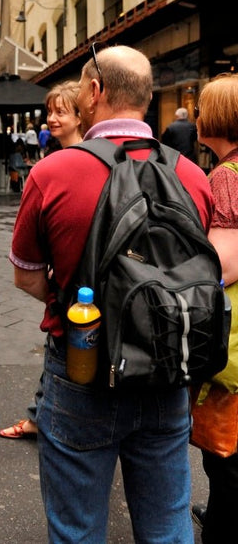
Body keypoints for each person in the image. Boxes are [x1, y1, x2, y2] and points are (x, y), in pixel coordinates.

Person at [9, 45, 214, 543]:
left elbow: (29, 276)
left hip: (83, 368)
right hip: (167, 372)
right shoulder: (192, 177)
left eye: (81, 86)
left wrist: (83, 304)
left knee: (78, 529)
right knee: (168, 525)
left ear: (95, 91)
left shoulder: (51, 174)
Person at [0, 81, 83, 440]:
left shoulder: (74, 162)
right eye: (50, 111)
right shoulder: (53, 160)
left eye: (61, 111)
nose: (51, 118)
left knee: (64, 348)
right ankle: (40, 414)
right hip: (62, 276)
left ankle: (46, 418)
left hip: (73, 280)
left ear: (82, 115)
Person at [190, 73, 238, 542]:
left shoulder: (226, 177)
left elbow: (220, 267)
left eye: (202, 108)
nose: (197, 116)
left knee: (226, 455)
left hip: (235, 341)